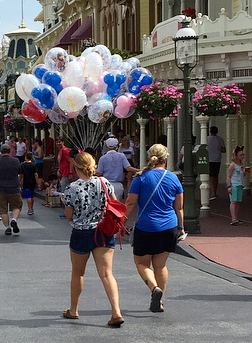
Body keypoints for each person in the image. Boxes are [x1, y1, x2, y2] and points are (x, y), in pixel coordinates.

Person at [62, 152, 123, 327]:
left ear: (76, 166)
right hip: (103, 231)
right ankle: (116, 311)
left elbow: (68, 215)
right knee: (106, 274)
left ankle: (73, 310)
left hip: (81, 233)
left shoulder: (72, 188)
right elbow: (114, 204)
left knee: (78, 273)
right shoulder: (104, 183)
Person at [125, 144, 184, 314]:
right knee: (161, 265)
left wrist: (121, 220)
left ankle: (154, 288)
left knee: (141, 262)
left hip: (146, 226)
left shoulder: (140, 177)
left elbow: (130, 203)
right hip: (168, 226)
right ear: (165, 160)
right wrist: (180, 227)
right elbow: (179, 207)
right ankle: (160, 301)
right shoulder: (173, 178)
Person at [0, 143, 22, 235]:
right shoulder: (15, 161)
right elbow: (20, 173)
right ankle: (14, 219)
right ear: (9, 151)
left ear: (1, 151)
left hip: (0, 187)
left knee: (2, 210)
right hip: (13, 187)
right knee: (16, 206)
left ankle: (7, 227)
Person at [97, 137, 138, 201]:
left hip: (106, 184)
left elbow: (99, 173)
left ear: (107, 146)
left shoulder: (103, 158)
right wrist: (139, 170)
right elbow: (128, 168)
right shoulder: (121, 156)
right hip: (118, 185)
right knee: (117, 205)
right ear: (116, 146)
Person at [226, 146, 245, 226]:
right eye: (241, 155)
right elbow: (229, 176)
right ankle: (233, 218)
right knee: (233, 201)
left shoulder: (241, 165)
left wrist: (245, 173)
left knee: (238, 202)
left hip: (240, 184)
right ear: (236, 156)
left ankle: (236, 218)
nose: (242, 156)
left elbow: (241, 175)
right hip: (234, 185)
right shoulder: (232, 165)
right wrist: (229, 186)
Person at [207, 126, 226, 200]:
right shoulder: (220, 139)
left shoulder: (207, 139)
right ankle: (214, 191)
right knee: (215, 176)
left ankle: (212, 192)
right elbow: (224, 150)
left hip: (209, 159)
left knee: (211, 177)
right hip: (217, 159)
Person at [20, 151, 41, 215]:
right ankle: (32, 207)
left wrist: (19, 181)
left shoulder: (23, 165)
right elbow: (36, 174)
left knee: (28, 196)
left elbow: (21, 174)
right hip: (32, 181)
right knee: (31, 195)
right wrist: (38, 182)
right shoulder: (33, 165)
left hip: (26, 181)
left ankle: (29, 209)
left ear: (26, 157)